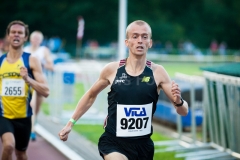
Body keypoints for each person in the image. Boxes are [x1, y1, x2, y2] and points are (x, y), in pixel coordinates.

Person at [58, 20, 188, 160]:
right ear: (127, 42)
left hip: (143, 145)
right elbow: (90, 95)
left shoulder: (158, 72)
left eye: (144, 37)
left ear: (150, 42)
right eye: (135, 36)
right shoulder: (112, 70)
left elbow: (183, 111)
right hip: (113, 141)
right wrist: (70, 123)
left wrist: (179, 101)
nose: (140, 41)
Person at [0, 20, 49, 160]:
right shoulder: (0, 62)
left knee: (21, 154)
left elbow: (46, 91)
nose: (16, 35)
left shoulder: (31, 60)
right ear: (8, 36)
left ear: (25, 37)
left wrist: (28, 79)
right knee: (8, 146)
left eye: (20, 33)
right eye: (13, 32)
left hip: (24, 116)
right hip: (3, 115)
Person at [24, 30, 54, 141]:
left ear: (41, 41)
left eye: (38, 38)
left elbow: (51, 66)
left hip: (41, 82)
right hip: (28, 81)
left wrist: (42, 64)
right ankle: (31, 130)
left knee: (37, 107)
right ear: (30, 39)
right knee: (31, 104)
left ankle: (34, 121)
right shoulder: (25, 50)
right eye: (34, 38)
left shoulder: (44, 51)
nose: (35, 40)